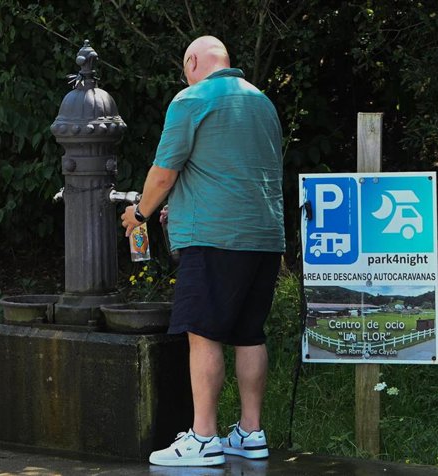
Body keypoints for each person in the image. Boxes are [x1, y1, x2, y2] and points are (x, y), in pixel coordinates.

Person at [120, 36, 285, 467]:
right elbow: (229, 170)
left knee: (203, 333)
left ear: (192, 62)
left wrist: (139, 213)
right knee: (250, 333)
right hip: (265, 237)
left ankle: (204, 438)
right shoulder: (262, 102)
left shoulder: (191, 99)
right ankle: (251, 433)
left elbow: (163, 172)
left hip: (215, 238)